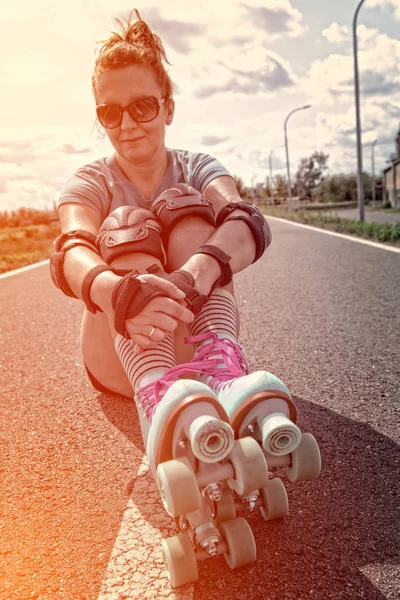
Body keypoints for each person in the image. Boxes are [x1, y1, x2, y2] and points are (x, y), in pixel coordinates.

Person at [50, 10, 320, 586]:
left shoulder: (198, 167)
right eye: (110, 111)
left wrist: (194, 274)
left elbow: (247, 220)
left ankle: (218, 367)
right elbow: (70, 246)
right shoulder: (89, 180)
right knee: (124, 222)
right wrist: (122, 291)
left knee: (188, 210)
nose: (128, 123)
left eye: (142, 105)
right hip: (124, 351)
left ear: (167, 107)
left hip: (198, 328)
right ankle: (159, 394)